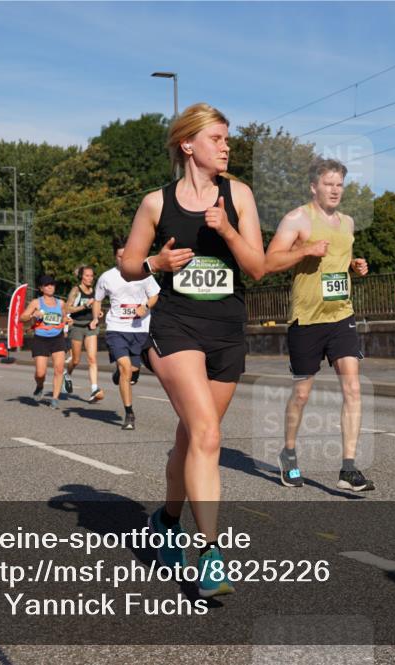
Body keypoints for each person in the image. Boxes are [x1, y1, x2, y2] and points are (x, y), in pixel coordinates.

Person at [121, 102, 265, 598]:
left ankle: (166, 520)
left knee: (192, 438)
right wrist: (156, 263)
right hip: (176, 326)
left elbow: (257, 268)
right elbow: (129, 266)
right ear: (188, 144)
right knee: (206, 433)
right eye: (217, 138)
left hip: (226, 330)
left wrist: (226, 229)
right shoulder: (156, 204)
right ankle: (210, 553)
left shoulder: (239, 195)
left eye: (227, 139)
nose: (226, 147)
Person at [265, 158, 375, 492]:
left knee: (353, 388)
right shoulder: (297, 219)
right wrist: (306, 250)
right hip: (307, 319)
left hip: (341, 315)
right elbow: (270, 261)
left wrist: (355, 266)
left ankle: (348, 468)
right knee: (302, 393)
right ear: (314, 186)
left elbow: (338, 260)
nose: (335, 190)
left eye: (340, 184)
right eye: (329, 184)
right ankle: (289, 454)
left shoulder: (348, 222)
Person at [93, 239, 160, 430]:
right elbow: (97, 299)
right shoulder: (107, 277)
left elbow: (155, 295)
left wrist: (145, 306)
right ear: (115, 257)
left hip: (139, 330)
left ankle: (122, 374)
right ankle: (129, 413)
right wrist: (96, 317)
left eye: (126, 256)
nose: (123, 259)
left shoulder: (144, 274)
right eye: (120, 256)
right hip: (116, 328)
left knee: (132, 371)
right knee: (125, 368)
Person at [20, 274, 68, 410]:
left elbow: (64, 318)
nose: (50, 287)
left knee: (59, 369)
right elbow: (22, 318)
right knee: (40, 373)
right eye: (47, 285)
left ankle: (55, 398)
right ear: (41, 288)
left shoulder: (61, 303)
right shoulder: (36, 303)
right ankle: (40, 385)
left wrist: (67, 321)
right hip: (41, 339)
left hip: (57, 338)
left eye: (52, 284)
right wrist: (32, 315)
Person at [62, 265, 104, 403]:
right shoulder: (76, 290)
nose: (90, 278)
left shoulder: (96, 291)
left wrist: (98, 313)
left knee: (92, 358)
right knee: (76, 360)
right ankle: (67, 374)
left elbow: (96, 306)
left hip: (91, 326)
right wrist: (84, 306)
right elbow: (67, 308)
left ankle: (94, 389)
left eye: (91, 276)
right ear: (81, 276)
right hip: (77, 326)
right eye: (87, 275)